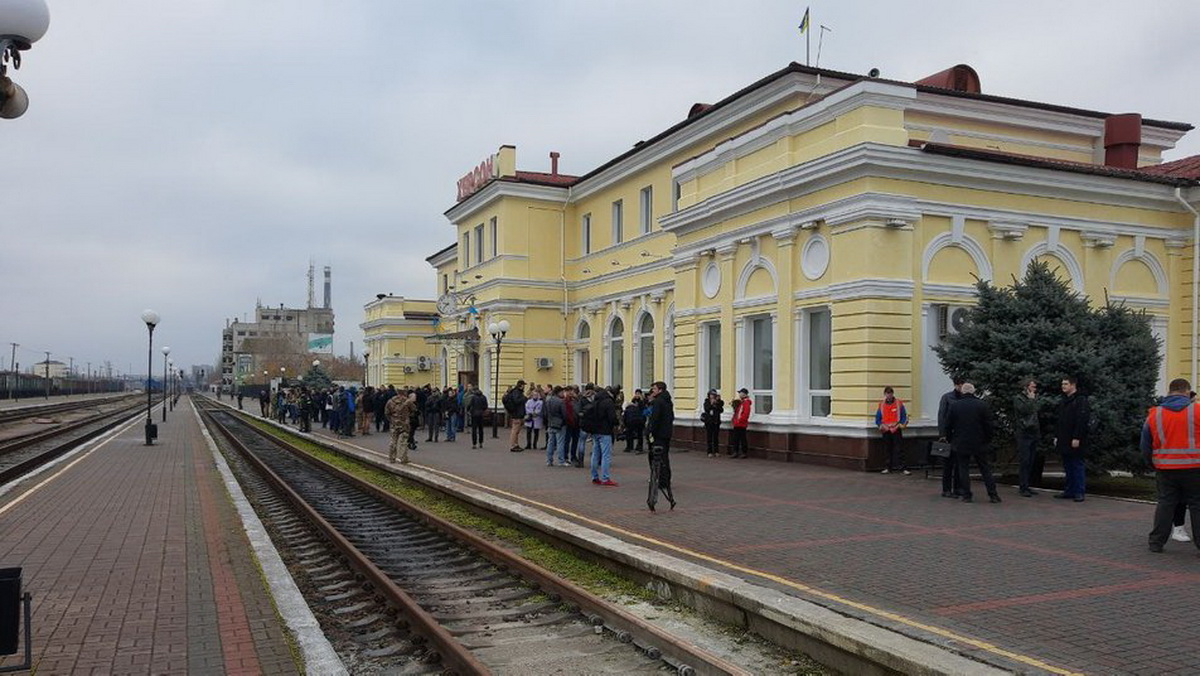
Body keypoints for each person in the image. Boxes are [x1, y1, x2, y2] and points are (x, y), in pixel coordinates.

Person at [1145, 379, 1200, 551]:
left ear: (1169, 392)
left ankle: (1156, 543)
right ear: (1187, 391)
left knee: (1166, 503)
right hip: (1195, 467)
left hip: (1165, 468)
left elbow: (1145, 443)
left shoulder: (1155, 414)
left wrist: (1151, 463)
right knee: (1197, 505)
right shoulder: (1197, 410)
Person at [946, 383, 1000, 504]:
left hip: (961, 442)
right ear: (973, 391)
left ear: (962, 392)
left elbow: (948, 425)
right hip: (979, 442)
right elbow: (989, 425)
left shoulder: (955, 406)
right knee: (985, 469)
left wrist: (951, 439)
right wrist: (988, 439)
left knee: (963, 469)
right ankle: (993, 495)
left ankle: (967, 495)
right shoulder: (982, 405)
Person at [1054, 376, 1090, 502]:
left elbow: (1082, 420)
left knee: (1077, 465)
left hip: (1075, 439)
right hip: (1064, 439)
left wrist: (1077, 437)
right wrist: (1057, 436)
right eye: (1062, 384)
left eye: (1065, 384)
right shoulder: (1065, 401)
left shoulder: (1081, 400)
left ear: (1073, 385)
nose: (1063, 386)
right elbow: (1060, 421)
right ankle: (1069, 490)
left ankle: (1079, 492)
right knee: (1067, 465)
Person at [646, 381, 676, 509]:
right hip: (666, 434)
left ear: (660, 390)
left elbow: (655, 419)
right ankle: (666, 479)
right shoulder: (668, 401)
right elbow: (671, 417)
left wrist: (650, 432)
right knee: (665, 457)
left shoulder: (658, 402)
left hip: (658, 435)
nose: (653, 391)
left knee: (657, 457)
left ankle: (659, 480)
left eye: (654, 389)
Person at [582, 383, 618, 486]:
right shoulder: (608, 402)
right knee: (606, 455)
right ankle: (605, 478)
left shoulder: (595, 402)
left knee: (595, 454)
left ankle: (595, 477)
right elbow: (612, 418)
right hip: (605, 431)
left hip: (595, 431)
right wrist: (616, 423)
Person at [1012, 379, 1042, 497]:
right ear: (1026, 387)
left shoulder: (1034, 397)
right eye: (1033, 386)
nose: (1035, 388)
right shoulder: (1018, 399)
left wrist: (1033, 399)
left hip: (1034, 432)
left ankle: (1027, 485)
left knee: (1031, 460)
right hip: (1024, 433)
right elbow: (1025, 410)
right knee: (1025, 461)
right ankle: (1023, 486)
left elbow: (1036, 411)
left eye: (1035, 386)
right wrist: (1030, 400)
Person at [936, 377, 964, 498]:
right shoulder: (947, 397)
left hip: (960, 435)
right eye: (961, 385)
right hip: (948, 435)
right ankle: (946, 489)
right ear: (956, 385)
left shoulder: (965, 398)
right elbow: (941, 416)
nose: (962, 387)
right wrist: (942, 434)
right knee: (948, 463)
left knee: (959, 462)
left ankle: (958, 487)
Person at [875, 386, 909, 474]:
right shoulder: (882, 404)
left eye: (890, 393)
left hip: (896, 429)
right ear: (885, 394)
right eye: (887, 394)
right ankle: (888, 467)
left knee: (899, 449)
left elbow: (904, 416)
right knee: (887, 449)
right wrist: (881, 425)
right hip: (886, 430)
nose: (889, 395)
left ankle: (903, 468)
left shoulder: (898, 403)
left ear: (892, 394)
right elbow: (878, 418)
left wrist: (899, 425)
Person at [386, 391, 418, 464]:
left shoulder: (390, 401)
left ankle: (392, 458)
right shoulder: (408, 402)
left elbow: (387, 413)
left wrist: (392, 420)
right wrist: (408, 416)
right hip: (404, 424)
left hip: (394, 424)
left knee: (393, 441)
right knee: (403, 442)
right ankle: (403, 458)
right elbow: (414, 409)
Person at [544, 386, 567, 466]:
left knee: (550, 443)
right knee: (560, 443)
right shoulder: (561, 402)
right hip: (560, 424)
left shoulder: (548, 400)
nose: (563, 393)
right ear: (559, 392)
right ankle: (561, 461)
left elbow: (545, 413)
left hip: (550, 423)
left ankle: (549, 460)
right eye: (562, 392)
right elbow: (564, 414)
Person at [502, 380, 528, 452]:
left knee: (516, 431)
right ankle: (513, 445)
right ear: (521, 385)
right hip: (517, 414)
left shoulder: (516, 392)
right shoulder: (516, 392)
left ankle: (516, 444)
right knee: (515, 430)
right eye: (523, 385)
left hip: (517, 414)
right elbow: (516, 401)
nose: (524, 387)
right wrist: (525, 398)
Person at [701, 389, 724, 457]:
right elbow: (707, 409)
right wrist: (711, 404)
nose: (712, 396)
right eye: (711, 395)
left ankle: (716, 451)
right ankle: (709, 452)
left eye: (714, 395)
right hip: (709, 422)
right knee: (709, 437)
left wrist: (717, 402)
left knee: (716, 437)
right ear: (709, 395)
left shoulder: (718, 402)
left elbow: (721, 410)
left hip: (716, 422)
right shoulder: (707, 402)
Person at [564, 386, 583, 467]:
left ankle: (573, 456)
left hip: (576, 423)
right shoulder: (565, 401)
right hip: (568, 423)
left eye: (573, 391)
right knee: (567, 441)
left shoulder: (577, 400)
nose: (572, 393)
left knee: (575, 440)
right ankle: (565, 456)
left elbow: (579, 408)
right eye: (571, 391)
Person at [730, 388, 752, 458]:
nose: (739, 394)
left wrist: (739, 420)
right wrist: (734, 420)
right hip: (737, 423)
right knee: (735, 439)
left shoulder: (746, 402)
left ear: (744, 394)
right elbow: (737, 412)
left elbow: (746, 414)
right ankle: (735, 452)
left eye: (740, 393)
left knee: (742, 439)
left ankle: (744, 452)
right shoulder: (741, 402)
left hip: (741, 424)